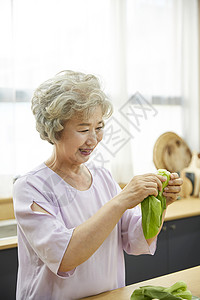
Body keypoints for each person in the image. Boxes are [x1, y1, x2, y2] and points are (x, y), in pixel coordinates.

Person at [13, 70, 182, 300]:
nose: (94, 139)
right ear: (55, 130)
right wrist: (121, 200)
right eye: (83, 129)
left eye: (99, 126)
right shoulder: (31, 187)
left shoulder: (102, 177)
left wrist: (162, 203)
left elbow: (135, 239)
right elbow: (64, 256)